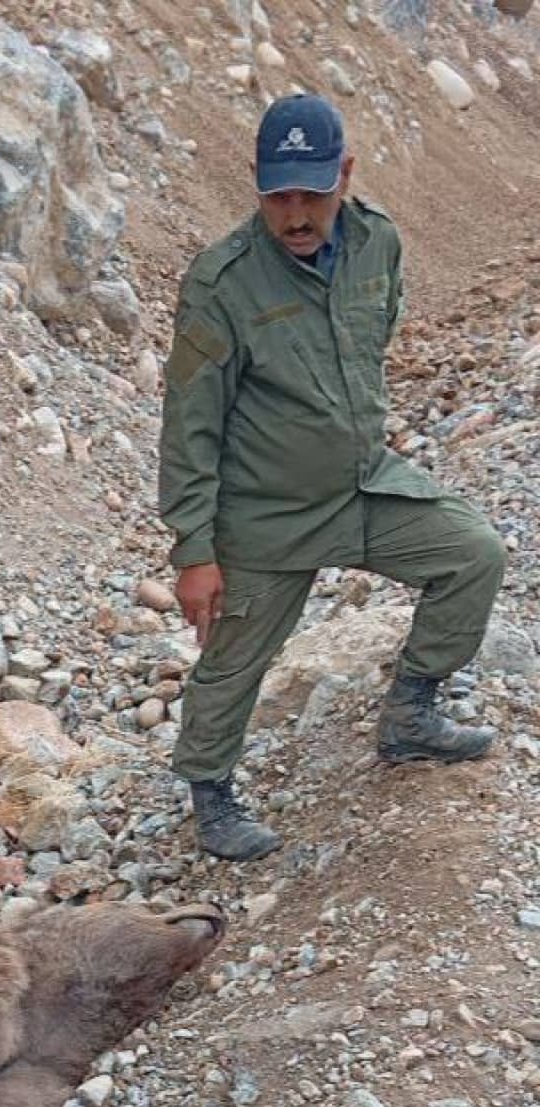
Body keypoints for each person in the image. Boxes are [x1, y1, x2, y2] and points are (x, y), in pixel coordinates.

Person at [158, 93, 505, 863]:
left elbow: (374, 337)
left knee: (474, 552)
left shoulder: (377, 241)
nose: (294, 214)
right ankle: (210, 795)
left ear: (344, 174)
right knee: (233, 661)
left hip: (362, 485)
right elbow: (189, 423)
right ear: (255, 182)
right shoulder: (223, 281)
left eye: (312, 193)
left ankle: (411, 712)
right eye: (277, 195)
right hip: (266, 514)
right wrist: (193, 550)